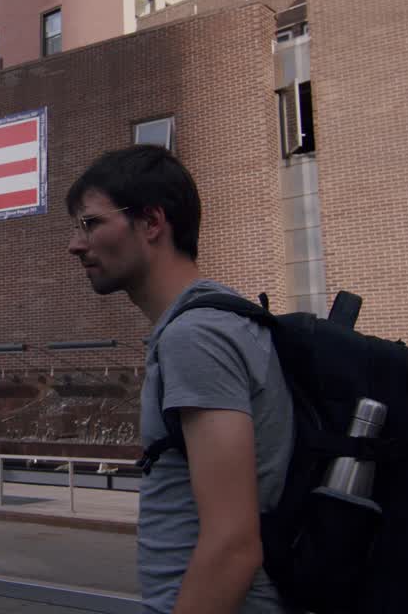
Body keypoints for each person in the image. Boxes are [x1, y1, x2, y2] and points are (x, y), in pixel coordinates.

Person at [65, 145, 293, 614]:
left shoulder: (196, 337)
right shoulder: (211, 323)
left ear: (151, 223)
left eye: (91, 223)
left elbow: (233, 544)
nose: (76, 244)